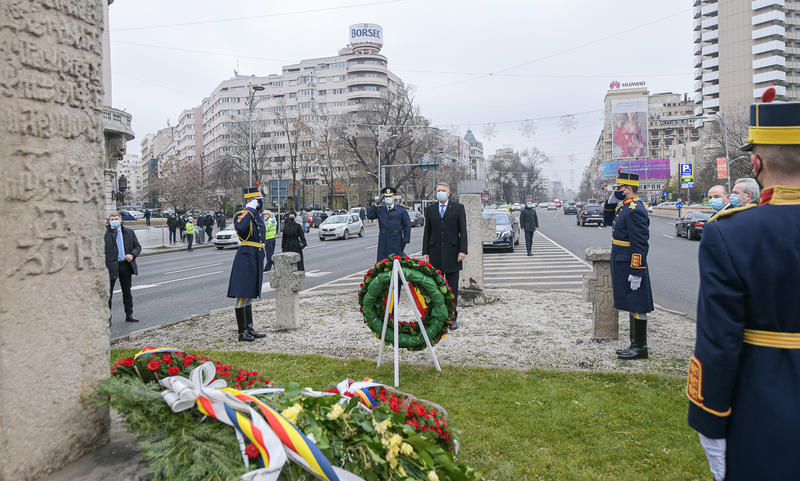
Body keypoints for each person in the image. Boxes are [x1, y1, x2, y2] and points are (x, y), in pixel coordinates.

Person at [686, 94, 800, 481]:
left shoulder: (732, 234)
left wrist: (711, 425)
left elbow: (718, 344)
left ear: (756, 162)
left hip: (765, 420)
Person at [603, 170, 653, 359]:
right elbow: (607, 221)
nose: (617, 190)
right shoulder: (624, 207)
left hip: (630, 263)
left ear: (629, 189)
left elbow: (640, 244)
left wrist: (637, 271)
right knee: (632, 303)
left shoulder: (635, 210)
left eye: (620, 188)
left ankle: (640, 347)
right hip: (621, 260)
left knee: (638, 303)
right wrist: (610, 201)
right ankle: (635, 345)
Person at [422, 182, 467, 330]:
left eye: (443, 190)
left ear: (449, 193)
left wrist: (463, 250)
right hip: (435, 254)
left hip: (453, 254)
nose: (440, 192)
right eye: (438, 190)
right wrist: (425, 252)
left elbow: (463, 231)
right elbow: (427, 232)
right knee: (436, 287)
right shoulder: (430, 209)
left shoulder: (458, 208)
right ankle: (439, 317)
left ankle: (453, 317)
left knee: (452, 288)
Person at [226, 186, 267, 342]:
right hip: (246, 256)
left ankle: (249, 327)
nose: (260, 203)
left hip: (256, 255)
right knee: (243, 294)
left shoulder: (257, 216)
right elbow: (242, 228)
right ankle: (242, 331)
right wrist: (249, 210)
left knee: (249, 293)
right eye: (258, 201)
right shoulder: (242, 215)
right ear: (250, 201)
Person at [104, 212, 141, 323]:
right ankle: (107, 319)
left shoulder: (128, 232)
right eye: (112, 219)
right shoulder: (104, 233)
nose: (114, 221)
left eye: (116, 219)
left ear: (120, 220)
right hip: (110, 266)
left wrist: (132, 254)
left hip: (125, 265)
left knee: (127, 292)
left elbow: (137, 246)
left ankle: (129, 315)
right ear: (109, 221)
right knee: (108, 295)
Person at [367, 186, 411, 262]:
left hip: (396, 242)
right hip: (384, 242)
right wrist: (376, 204)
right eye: (386, 196)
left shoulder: (401, 210)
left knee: (396, 265)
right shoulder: (380, 209)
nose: (388, 198)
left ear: (394, 197)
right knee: (382, 266)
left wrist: (405, 240)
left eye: (390, 196)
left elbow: (407, 225)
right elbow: (369, 215)